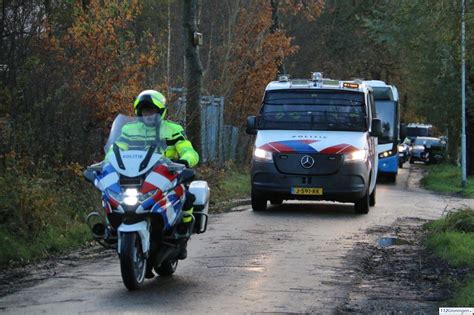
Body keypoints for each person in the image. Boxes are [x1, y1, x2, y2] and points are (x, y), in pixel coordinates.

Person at [117, 90, 199, 275]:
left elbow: (189, 150)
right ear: (139, 112)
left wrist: (185, 160)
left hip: (166, 175)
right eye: (145, 111)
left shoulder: (172, 129)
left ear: (160, 112)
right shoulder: (129, 130)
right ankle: (111, 229)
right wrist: (106, 163)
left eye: (152, 111)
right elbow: (115, 149)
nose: (148, 115)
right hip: (137, 176)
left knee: (188, 197)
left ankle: (183, 231)